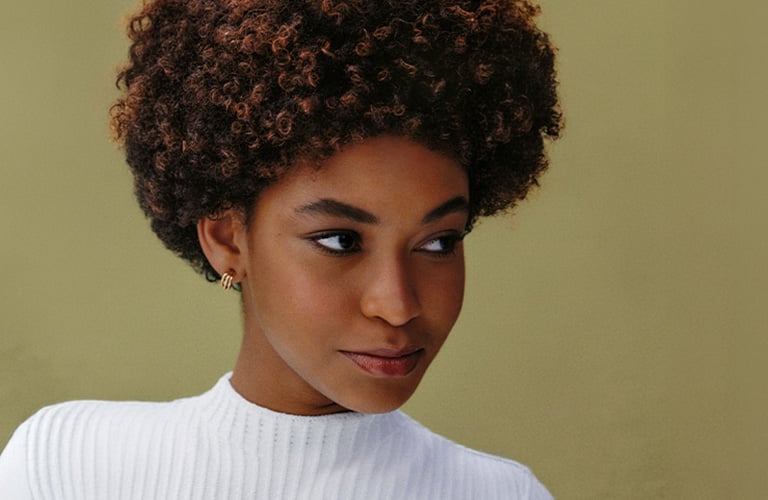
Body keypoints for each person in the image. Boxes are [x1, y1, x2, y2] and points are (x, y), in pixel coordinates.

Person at [0, 0, 562, 498]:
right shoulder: (68, 463)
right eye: (340, 240)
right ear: (226, 241)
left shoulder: (498, 493)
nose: (397, 305)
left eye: (438, 242)